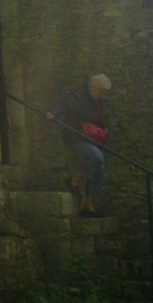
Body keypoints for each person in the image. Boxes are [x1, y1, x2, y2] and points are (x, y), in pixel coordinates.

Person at [46, 73, 112, 216]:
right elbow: (63, 104)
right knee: (97, 157)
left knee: (99, 168)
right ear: (93, 88)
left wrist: (103, 128)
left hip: (92, 140)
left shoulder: (98, 102)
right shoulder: (78, 96)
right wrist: (53, 112)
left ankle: (89, 206)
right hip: (75, 138)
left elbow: (98, 120)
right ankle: (74, 181)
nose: (102, 96)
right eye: (101, 92)